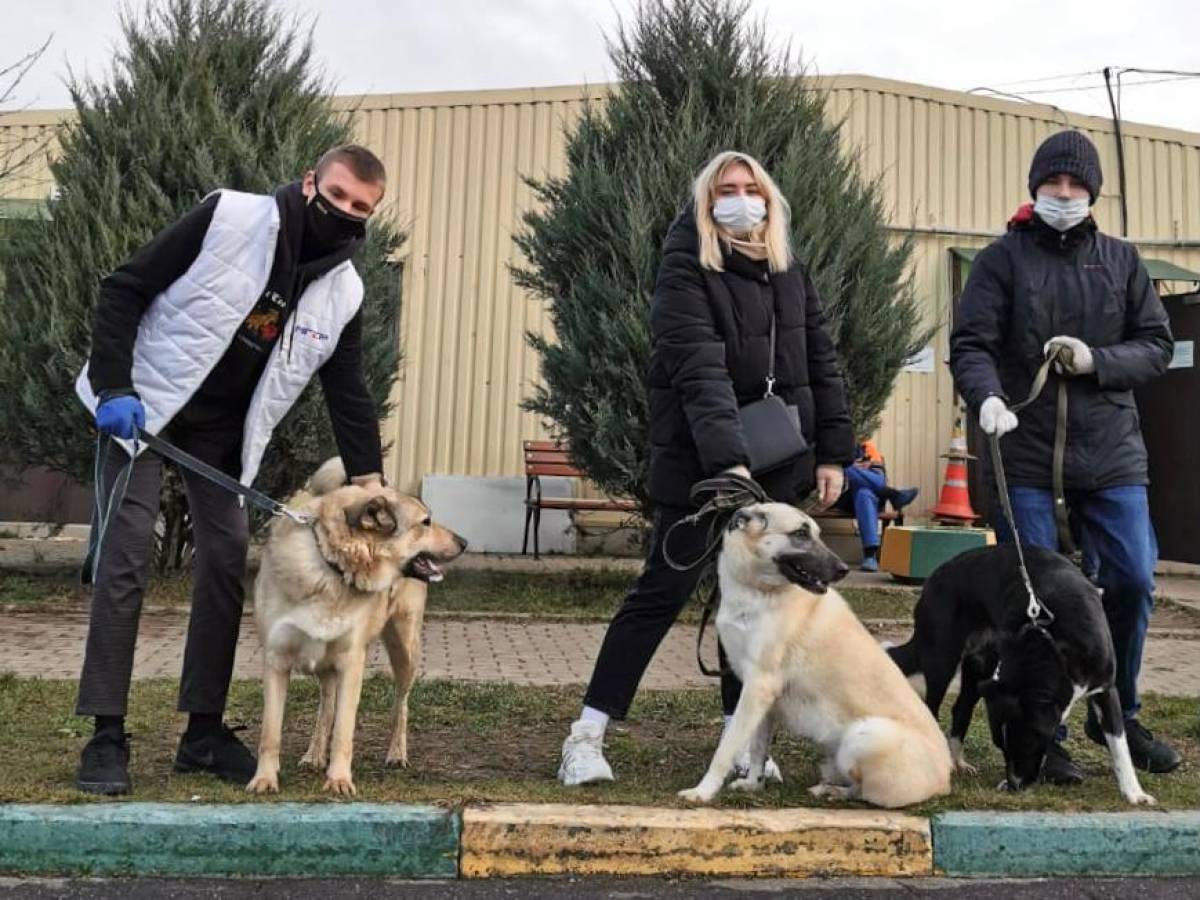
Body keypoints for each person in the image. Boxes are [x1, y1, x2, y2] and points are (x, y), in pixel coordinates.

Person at [73, 145, 390, 795]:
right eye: (337, 195)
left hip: (221, 436)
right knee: (127, 558)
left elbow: (348, 389)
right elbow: (125, 288)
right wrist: (113, 386)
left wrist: (370, 480)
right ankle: (105, 735)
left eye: (361, 207)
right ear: (310, 183)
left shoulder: (344, 292)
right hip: (143, 409)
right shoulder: (230, 217)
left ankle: (203, 734)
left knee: (226, 557)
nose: (346, 212)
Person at [558, 150, 854, 786]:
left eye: (752, 189)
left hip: (776, 460)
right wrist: (730, 466)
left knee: (749, 605)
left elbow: (821, 364)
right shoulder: (686, 268)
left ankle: (741, 740)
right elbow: (699, 368)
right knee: (661, 593)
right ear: (706, 201)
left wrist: (834, 451)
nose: (741, 199)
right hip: (701, 468)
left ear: (770, 202)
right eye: (727, 189)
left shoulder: (789, 272)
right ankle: (586, 733)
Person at [950, 130, 1179, 784]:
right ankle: (1036, 727)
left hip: (1108, 453)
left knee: (1132, 579)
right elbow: (971, 344)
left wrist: (1096, 360)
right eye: (1054, 185)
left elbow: (1156, 345)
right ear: (1036, 188)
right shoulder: (1002, 261)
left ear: (1092, 192)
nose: (1065, 195)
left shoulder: (1121, 261)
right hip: (1021, 450)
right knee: (1032, 600)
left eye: (1077, 186)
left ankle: (1118, 710)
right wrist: (988, 396)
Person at [836, 439, 918, 572]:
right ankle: (894, 495)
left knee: (863, 492)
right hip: (842, 497)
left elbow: (879, 478)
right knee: (844, 466)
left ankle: (870, 556)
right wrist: (849, 467)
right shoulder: (831, 447)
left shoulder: (868, 448)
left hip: (869, 499)